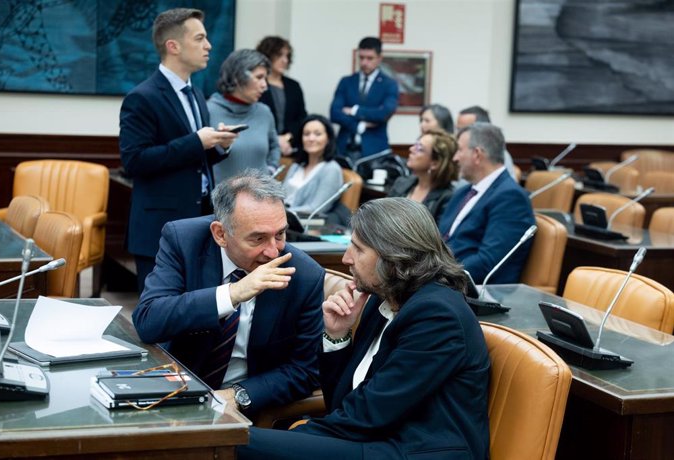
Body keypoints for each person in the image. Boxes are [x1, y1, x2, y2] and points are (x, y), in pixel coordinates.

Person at [238, 197, 490, 460]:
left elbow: (369, 415)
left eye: (357, 249)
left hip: (415, 450)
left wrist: (298, 436)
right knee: (238, 441)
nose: (346, 258)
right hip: (376, 440)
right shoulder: (382, 299)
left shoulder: (437, 316)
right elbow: (342, 403)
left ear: (394, 256)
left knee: (235, 443)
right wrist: (337, 336)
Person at [132, 171, 325, 415]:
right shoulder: (184, 241)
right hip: (173, 388)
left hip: (246, 403)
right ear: (220, 234)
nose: (274, 252)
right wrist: (232, 294)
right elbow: (149, 320)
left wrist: (237, 396)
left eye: (280, 234)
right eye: (258, 238)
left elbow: (304, 370)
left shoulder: (303, 275)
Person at [119, 8, 238, 293]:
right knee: (159, 311)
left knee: (196, 309)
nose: (208, 45)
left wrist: (218, 146)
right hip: (160, 225)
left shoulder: (196, 94)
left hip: (201, 218)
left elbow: (194, 159)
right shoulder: (141, 97)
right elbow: (134, 160)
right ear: (173, 46)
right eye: (199, 39)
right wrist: (197, 141)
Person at [438, 122, 535, 284]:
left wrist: (437, 275)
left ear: (477, 154)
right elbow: (440, 239)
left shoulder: (510, 198)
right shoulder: (463, 192)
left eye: (460, 150)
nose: (455, 158)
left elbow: (488, 262)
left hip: (473, 291)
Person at [207, 49, 280, 184]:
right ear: (237, 77)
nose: (265, 85)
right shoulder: (208, 111)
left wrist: (270, 169)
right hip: (221, 202)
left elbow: (275, 147)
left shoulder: (264, 112)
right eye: (259, 77)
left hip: (260, 200)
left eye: (265, 78)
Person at [330, 37, 399, 163]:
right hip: (344, 149)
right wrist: (359, 125)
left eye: (369, 58)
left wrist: (354, 111)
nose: (364, 62)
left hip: (374, 152)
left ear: (379, 58)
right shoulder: (346, 82)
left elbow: (384, 113)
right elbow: (335, 113)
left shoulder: (389, 84)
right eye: (361, 58)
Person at [388, 128, 457, 222]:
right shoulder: (401, 183)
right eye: (415, 145)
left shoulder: (447, 198)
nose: (411, 149)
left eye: (419, 148)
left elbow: (437, 235)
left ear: (435, 163)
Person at [256, 36, 308, 157]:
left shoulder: (294, 86)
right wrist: (275, 139)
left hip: (290, 148)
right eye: (279, 55)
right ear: (267, 55)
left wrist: (288, 137)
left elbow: (302, 118)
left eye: (287, 56)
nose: (284, 60)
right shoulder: (256, 84)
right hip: (262, 148)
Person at [283, 115, 343, 216]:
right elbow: (280, 197)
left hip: (305, 225)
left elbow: (316, 209)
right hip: (281, 220)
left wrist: (283, 213)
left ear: (328, 138)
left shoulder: (331, 169)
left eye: (317, 134)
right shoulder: (297, 165)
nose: (311, 138)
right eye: (306, 134)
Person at [456, 105, 516, 181]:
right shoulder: (461, 151)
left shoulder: (498, 156)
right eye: (457, 129)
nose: (458, 134)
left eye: (465, 129)